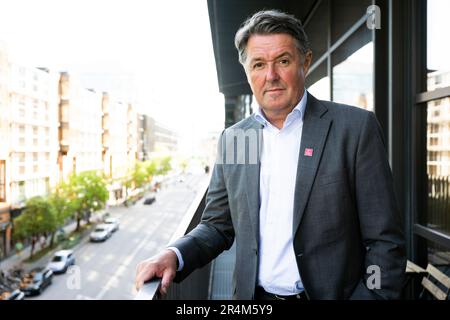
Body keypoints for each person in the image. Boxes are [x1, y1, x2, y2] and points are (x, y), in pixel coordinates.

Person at [135, 9, 406, 300]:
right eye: (259, 64)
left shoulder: (354, 129)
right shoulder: (237, 139)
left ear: (306, 61)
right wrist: (174, 255)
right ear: (247, 72)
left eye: (283, 61)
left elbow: (385, 240)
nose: (271, 76)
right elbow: (217, 225)